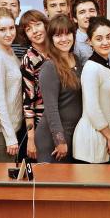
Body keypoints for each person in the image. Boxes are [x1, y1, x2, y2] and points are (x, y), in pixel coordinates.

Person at [35, 15, 83, 163]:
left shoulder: (76, 59)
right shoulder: (49, 67)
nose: (64, 39)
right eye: (58, 35)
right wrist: (59, 140)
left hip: (73, 134)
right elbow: (51, 109)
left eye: (67, 33)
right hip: (52, 137)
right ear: (51, 39)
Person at [73, 17, 110, 163]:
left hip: (105, 133)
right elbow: (92, 108)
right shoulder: (91, 68)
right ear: (90, 42)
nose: (105, 42)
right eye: (99, 38)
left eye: (109, 37)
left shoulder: (107, 66)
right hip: (92, 136)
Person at [0, 7, 24, 162]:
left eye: (11, 28)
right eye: (2, 29)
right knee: (4, 181)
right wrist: (9, 137)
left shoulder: (9, 51)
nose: (9, 34)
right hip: (3, 132)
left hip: (15, 127)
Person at [19, 10, 50, 160]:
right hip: (40, 121)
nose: (35, 31)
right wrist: (31, 138)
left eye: (38, 25)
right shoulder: (28, 59)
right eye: (28, 29)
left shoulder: (56, 51)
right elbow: (28, 101)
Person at [71, 0, 100, 65]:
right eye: (82, 12)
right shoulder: (72, 43)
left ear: (97, 14)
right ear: (75, 19)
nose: (88, 16)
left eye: (91, 11)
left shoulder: (105, 37)